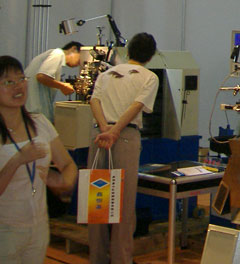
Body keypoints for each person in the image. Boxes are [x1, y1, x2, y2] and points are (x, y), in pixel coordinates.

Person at [89, 33, 159, 264]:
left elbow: (94, 101)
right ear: (151, 56)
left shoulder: (106, 74)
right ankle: (121, 259)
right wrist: (116, 131)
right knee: (123, 204)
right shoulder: (149, 77)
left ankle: (97, 258)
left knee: (97, 201)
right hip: (125, 137)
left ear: (127, 52)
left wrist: (104, 129)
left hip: (99, 137)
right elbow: (137, 106)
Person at [0, 55, 78, 264]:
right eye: (8, 82)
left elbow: (67, 164)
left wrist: (64, 181)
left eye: (21, 79)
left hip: (39, 228)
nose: (18, 86)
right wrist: (17, 160)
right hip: (5, 231)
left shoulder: (39, 122)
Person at [24, 41, 83, 122]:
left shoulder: (51, 56)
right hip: (35, 112)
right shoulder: (57, 54)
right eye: (80, 58)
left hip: (33, 110)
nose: (79, 63)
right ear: (74, 49)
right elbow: (41, 76)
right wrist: (63, 86)